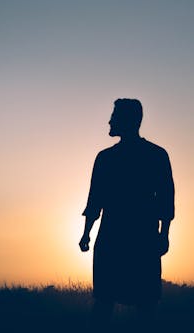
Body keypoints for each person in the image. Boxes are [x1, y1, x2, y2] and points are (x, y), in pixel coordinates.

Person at [79, 98, 175, 326]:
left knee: (109, 302)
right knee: (142, 304)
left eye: (114, 116)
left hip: (120, 237)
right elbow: (165, 200)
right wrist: (164, 234)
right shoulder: (155, 154)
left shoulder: (108, 158)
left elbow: (95, 201)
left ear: (126, 120)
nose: (109, 121)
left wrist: (86, 234)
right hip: (140, 236)